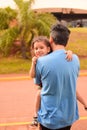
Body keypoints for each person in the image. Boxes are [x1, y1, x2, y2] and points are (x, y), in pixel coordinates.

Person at [29, 35, 87, 128]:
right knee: (38, 93)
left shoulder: (48, 57)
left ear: (48, 49)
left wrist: (69, 52)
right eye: (36, 48)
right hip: (44, 86)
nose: (38, 50)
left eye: (41, 48)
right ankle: (35, 115)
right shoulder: (37, 61)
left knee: (75, 92)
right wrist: (33, 63)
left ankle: (85, 104)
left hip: (51, 87)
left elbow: (62, 53)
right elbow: (32, 76)